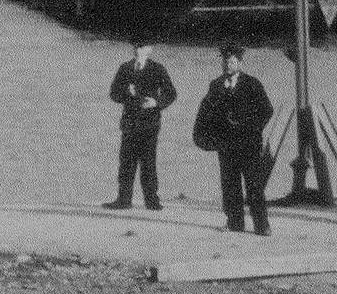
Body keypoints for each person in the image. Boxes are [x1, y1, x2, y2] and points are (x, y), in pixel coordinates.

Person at [191, 44, 273, 235]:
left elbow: (266, 110)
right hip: (226, 145)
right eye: (225, 61)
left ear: (240, 63)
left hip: (249, 144)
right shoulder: (216, 85)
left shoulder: (252, 84)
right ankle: (235, 222)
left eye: (232, 61)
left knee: (254, 185)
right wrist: (205, 137)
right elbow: (206, 111)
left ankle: (262, 225)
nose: (228, 65)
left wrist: (251, 128)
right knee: (230, 185)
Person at [103, 39, 175, 210]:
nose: (137, 49)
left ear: (150, 49)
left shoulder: (157, 69)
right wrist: (125, 92)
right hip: (129, 123)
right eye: (135, 46)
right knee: (126, 163)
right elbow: (113, 94)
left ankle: (152, 201)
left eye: (142, 47)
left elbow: (171, 93)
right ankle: (123, 200)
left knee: (148, 163)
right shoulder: (125, 68)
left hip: (149, 123)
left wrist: (156, 102)